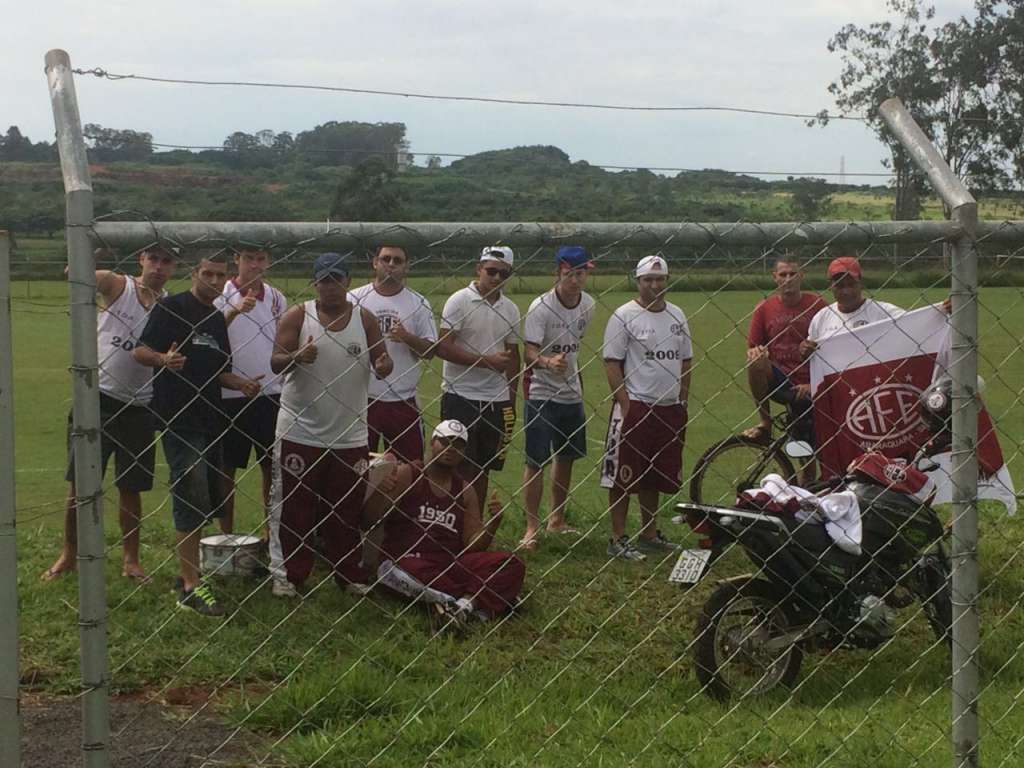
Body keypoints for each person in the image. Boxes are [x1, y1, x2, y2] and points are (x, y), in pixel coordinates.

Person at [134, 250, 264, 616]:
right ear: (194, 273)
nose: (213, 280)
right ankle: (190, 584)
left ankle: (191, 568)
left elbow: (219, 369)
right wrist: (162, 360)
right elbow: (140, 351)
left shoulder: (215, 320)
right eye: (207, 273)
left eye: (219, 275)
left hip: (211, 417)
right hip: (178, 416)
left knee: (208, 493)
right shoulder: (171, 308)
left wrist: (239, 382)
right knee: (189, 487)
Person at [43, 245, 179, 583]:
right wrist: (87, 255)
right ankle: (69, 554)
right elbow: (76, 277)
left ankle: (131, 560)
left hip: (140, 405)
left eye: (167, 261)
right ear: (141, 259)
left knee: (131, 488)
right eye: (154, 259)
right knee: (80, 485)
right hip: (97, 399)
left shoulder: (170, 306)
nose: (159, 267)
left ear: (174, 268)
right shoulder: (119, 285)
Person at [269, 252, 393, 598]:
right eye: (324, 280)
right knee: (294, 507)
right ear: (315, 284)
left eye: (337, 279)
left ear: (348, 282)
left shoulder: (364, 319)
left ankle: (348, 573)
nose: (331, 287)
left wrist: (384, 365)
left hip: (349, 431)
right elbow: (275, 361)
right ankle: (287, 575)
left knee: (346, 508)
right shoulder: (299, 315)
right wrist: (296, 357)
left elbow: (382, 362)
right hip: (300, 428)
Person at [368, 419, 526, 628]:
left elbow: (473, 545)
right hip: (408, 560)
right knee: (405, 570)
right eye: (445, 442)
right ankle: (482, 599)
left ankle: (461, 606)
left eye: (458, 445)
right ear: (432, 443)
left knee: (511, 564)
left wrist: (493, 524)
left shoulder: (465, 490)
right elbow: (368, 521)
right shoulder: (410, 474)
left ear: (464, 452)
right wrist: (380, 492)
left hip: (447, 564)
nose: (451, 449)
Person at [600, 255, 692, 561]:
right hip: (636, 405)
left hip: (668, 407)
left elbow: (686, 359)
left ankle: (650, 533)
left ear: (667, 280)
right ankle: (617, 537)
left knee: (655, 473)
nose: (654, 285)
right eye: (648, 280)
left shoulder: (677, 315)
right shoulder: (624, 315)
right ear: (637, 281)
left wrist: (683, 398)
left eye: (660, 279)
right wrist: (625, 402)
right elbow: (612, 363)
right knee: (624, 475)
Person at [519, 245, 595, 549]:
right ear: (558, 273)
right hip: (541, 392)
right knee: (535, 460)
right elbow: (529, 352)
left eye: (581, 273)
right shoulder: (541, 307)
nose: (575, 280)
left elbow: (575, 347)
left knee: (566, 458)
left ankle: (557, 519)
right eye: (569, 274)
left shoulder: (588, 305)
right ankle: (530, 528)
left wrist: (576, 381)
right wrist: (548, 362)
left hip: (571, 393)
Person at [436, 246, 521, 506]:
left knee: (484, 468)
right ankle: (451, 522)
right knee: (457, 466)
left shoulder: (511, 309)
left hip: (496, 400)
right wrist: (487, 362)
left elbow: (513, 356)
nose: (496, 278)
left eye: (503, 274)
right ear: (479, 269)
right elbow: (443, 347)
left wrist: (511, 398)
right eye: (491, 271)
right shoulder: (459, 301)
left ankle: (474, 523)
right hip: (461, 396)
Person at [214, 247, 287, 537]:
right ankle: (226, 534)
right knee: (226, 468)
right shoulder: (222, 294)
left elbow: (281, 337)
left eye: (260, 259)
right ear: (237, 260)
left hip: (270, 393)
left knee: (271, 467)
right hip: (230, 395)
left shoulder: (275, 296)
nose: (255, 265)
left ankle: (271, 533)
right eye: (248, 258)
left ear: (268, 262)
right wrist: (234, 311)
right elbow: (209, 332)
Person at [349, 245, 438, 462]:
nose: (391, 264)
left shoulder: (418, 303)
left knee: (410, 467)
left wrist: (407, 337)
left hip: (402, 397)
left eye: (397, 261)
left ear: (406, 267)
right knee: (357, 466)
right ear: (375, 263)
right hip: (361, 397)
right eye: (385, 259)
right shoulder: (353, 299)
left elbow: (430, 351)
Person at [743, 256, 826, 445]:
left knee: (809, 453)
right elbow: (754, 346)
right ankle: (765, 422)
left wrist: (812, 384)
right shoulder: (764, 308)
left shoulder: (818, 305)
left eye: (793, 274)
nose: (788, 279)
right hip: (781, 379)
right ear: (775, 277)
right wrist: (757, 353)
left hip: (813, 380)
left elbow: (832, 348)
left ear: (801, 276)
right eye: (783, 274)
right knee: (755, 361)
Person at [802, 256, 905, 355]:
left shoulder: (884, 312)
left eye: (851, 284)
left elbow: (912, 324)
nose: (846, 291)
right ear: (831, 287)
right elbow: (810, 350)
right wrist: (805, 349)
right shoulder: (821, 318)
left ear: (861, 283)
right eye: (839, 286)